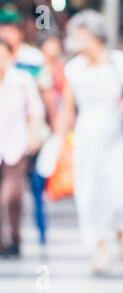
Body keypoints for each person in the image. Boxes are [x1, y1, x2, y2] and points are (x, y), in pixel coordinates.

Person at [59, 10, 123, 272]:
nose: (75, 41)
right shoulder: (73, 69)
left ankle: (122, 233)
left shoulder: (118, 62)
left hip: (115, 136)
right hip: (86, 139)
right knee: (90, 195)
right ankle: (101, 246)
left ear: (95, 36)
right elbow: (67, 110)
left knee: (120, 193)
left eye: (80, 35)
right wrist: (61, 143)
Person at [0, 7, 51, 248]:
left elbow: (45, 99)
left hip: (23, 138)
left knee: (26, 191)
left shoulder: (32, 61)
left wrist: (42, 133)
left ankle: (30, 235)